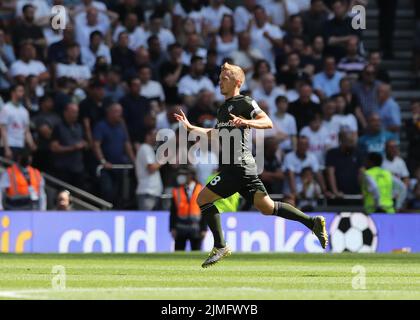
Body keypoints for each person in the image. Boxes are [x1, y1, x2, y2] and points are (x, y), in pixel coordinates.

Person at [174, 62, 328, 268]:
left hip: (238, 166)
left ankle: (220, 245)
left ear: (237, 82)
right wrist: (191, 127)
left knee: (202, 198)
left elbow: (267, 122)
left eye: (225, 79)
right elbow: (216, 134)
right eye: (219, 79)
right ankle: (312, 222)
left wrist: (247, 122)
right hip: (240, 168)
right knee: (267, 207)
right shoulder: (222, 109)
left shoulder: (245, 102)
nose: (220, 82)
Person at [93, 103, 135, 207]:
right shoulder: (101, 126)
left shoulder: (121, 126)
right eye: (116, 112)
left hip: (120, 166)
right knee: (108, 192)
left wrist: (134, 161)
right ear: (109, 113)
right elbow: (96, 145)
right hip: (107, 167)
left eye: (120, 112)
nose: (119, 114)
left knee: (120, 194)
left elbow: (127, 144)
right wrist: (103, 161)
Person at [50, 103, 87, 188]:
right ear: (65, 113)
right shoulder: (58, 127)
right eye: (73, 112)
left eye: (77, 112)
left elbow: (85, 142)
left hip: (78, 168)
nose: (75, 115)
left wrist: (84, 144)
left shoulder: (79, 127)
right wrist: (72, 148)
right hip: (63, 169)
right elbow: (54, 148)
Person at [170, 166, 207, 251]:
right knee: (178, 253)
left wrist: (204, 228)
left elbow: (205, 210)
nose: (182, 176)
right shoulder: (177, 190)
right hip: (180, 228)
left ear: (191, 176)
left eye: (185, 174)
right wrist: (172, 228)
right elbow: (173, 212)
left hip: (196, 228)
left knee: (196, 254)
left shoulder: (201, 189)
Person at [0, 84, 36, 160]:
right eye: (20, 91)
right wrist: (6, 148)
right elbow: (3, 130)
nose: (22, 93)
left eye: (23, 91)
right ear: (13, 93)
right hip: (9, 144)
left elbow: (26, 131)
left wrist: (31, 143)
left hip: (20, 145)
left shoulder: (24, 111)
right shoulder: (6, 109)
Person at [326, 130, 365, 197]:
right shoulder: (332, 153)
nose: (351, 144)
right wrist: (335, 191)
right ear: (341, 141)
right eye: (349, 142)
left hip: (356, 194)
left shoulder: (358, 153)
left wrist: (363, 190)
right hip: (339, 195)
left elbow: (362, 172)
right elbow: (330, 174)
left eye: (352, 142)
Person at [136, 128, 163, 211]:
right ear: (148, 136)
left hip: (152, 193)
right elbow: (151, 168)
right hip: (147, 193)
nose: (157, 137)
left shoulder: (149, 149)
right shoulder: (145, 148)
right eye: (154, 135)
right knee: (145, 222)